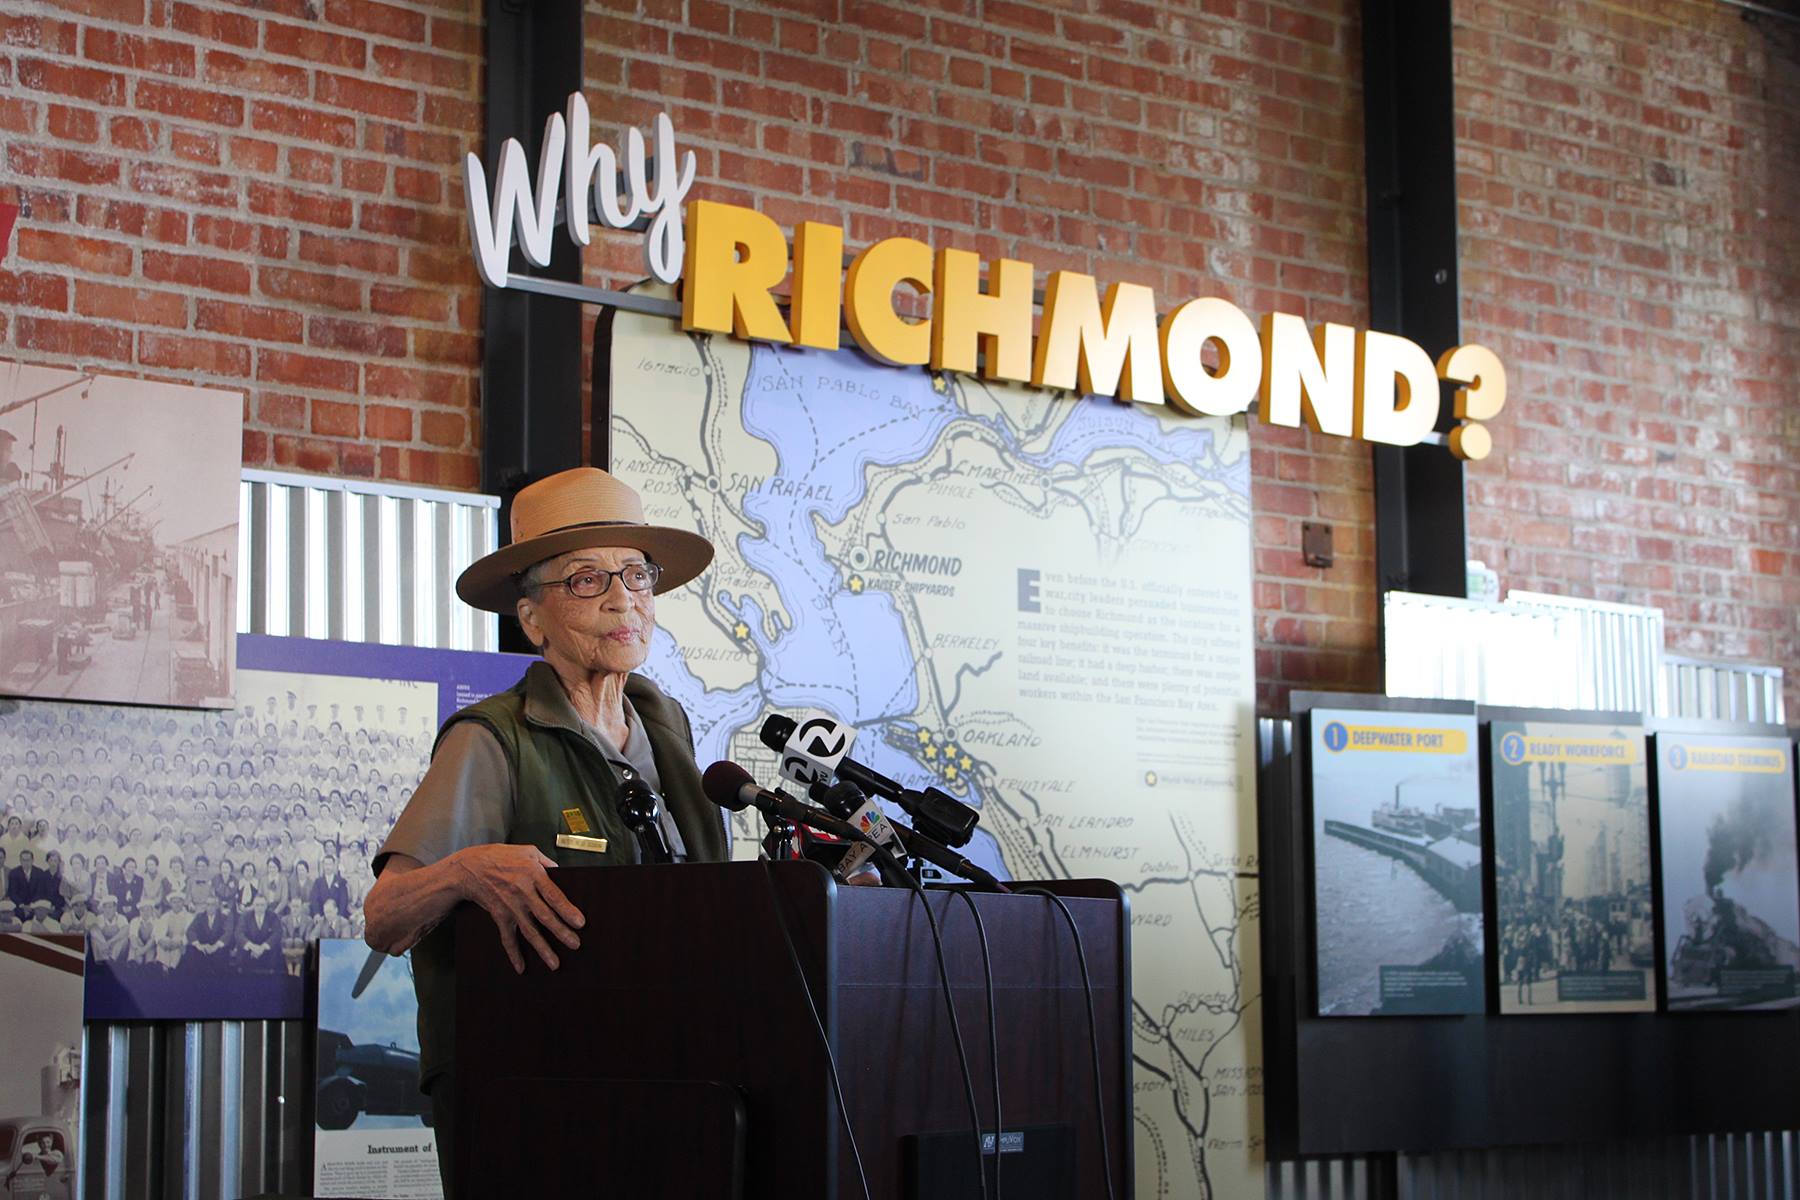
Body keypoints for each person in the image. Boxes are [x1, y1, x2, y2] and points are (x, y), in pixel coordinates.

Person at [363, 467, 727, 1196]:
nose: (624, 598)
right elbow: (386, 916)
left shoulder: (669, 727)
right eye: (588, 580)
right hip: (535, 1096)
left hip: (676, 1079)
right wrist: (464, 872)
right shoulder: (494, 738)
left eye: (636, 574)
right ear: (533, 620)